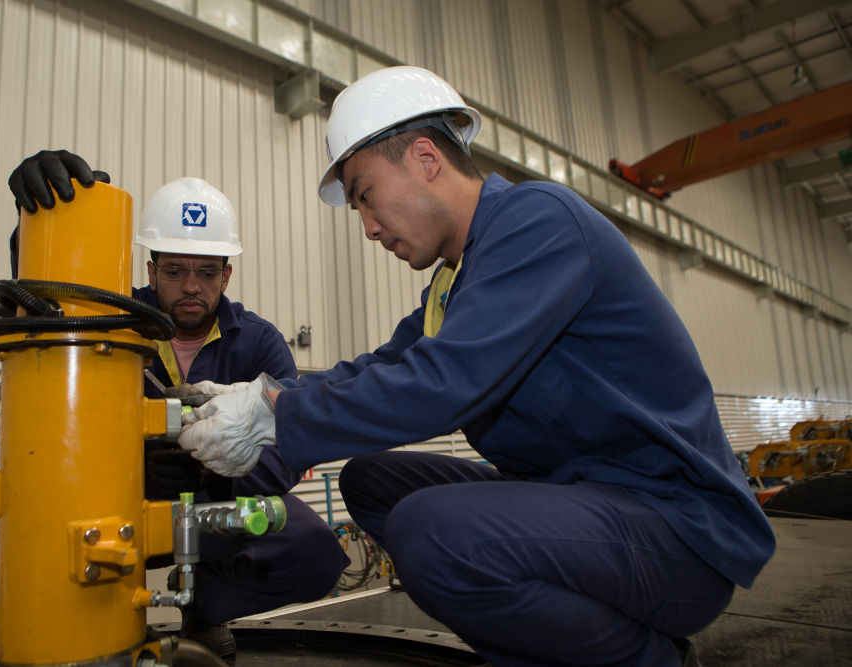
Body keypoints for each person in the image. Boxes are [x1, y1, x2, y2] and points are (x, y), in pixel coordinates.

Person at [176, 67, 777, 666]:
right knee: (371, 482)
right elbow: (384, 367)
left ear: (424, 158)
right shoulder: (457, 280)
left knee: (431, 531)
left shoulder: (539, 221)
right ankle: (572, 635)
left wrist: (277, 416)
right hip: (588, 504)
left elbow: (443, 383)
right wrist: (259, 391)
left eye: (365, 195)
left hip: (674, 531)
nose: (368, 227)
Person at [3, 151, 349, 659]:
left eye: (207, 272)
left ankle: (203, 610)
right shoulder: (105, 321)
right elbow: (50, 311)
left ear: (227, 276)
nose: (192, 286)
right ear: (151, 268)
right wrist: (37, 222)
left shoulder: (259, 344)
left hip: (217, 512)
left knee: (314, 554)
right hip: (114, 511)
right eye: (176, 270)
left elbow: (289, 450)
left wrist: (215, 475)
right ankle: (106, 621)